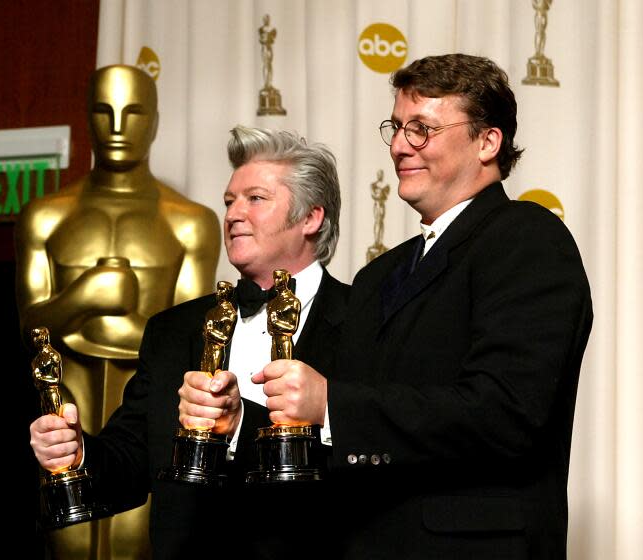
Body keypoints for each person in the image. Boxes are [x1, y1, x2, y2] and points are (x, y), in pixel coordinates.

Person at [254, 53, 593, 558]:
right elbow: (340, 425)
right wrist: (245, 419)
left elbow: (506, 413)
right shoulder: (377, 277)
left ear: (487, 141)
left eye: (422, 129)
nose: (397, 146)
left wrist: (333, 405)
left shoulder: (527, 238)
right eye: (395, 127)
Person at [29, 124, 349, 558]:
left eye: (255, 199)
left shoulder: (363, 322)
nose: (234, 214)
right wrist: (78, 451)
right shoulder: (173, 330)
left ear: (312, 217)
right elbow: (132, 458)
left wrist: (239, 425)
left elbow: (364, 468)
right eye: (230, 201)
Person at [16, 64, 220, 559]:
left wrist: (100, 322)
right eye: (103, 112)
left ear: (154, 121)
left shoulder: (191, 223)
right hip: (69, 394)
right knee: (66, 538)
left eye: (132, 113)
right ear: (86, 117)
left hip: (149, 408)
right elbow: (29, 328)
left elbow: (191, 340)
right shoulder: (46, 215)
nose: (117, 127)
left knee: (136, 538)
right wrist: (87, 296)